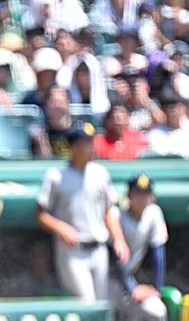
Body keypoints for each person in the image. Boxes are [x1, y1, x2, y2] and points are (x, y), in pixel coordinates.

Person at [36, 120, 130, 303]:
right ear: (73, 147)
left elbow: (108, 211)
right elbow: (40, 214)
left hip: (99, 248)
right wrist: (60, 227)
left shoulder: (101, 173)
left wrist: (119, 239)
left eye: (91, 142)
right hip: (73, 251)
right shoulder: (56, 176)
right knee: (87, 303)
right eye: (85, 143)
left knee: (103, 305)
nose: (90, 148)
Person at [109, 174, 170, 321]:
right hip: (108, 281)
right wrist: (131, 288)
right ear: (128, 196)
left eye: (146, 194)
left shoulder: (154, 213)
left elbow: (159, 256)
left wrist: (155, 290)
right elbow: (114, 259)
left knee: (158, 312)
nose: (142, 199)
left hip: (131, 281)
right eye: (137, 194)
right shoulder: (115, 215)